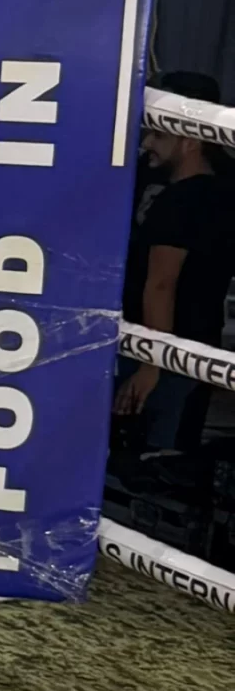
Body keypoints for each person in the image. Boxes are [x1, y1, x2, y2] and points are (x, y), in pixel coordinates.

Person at [118, 69, 235, 453]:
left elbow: (161, 283)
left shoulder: (192, 198)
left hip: (169, 354)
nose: (147, 143)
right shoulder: (163, 181)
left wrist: (153, 362)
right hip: (161, 347)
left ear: (190, 138)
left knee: (156, 462)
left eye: (159, 134)